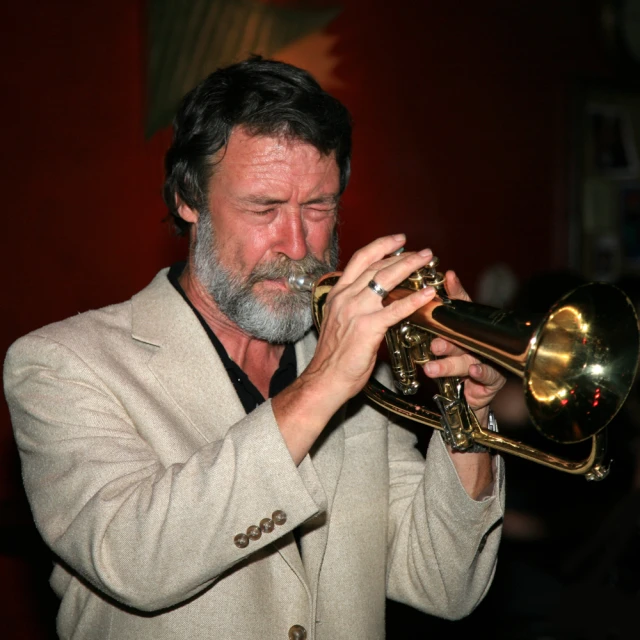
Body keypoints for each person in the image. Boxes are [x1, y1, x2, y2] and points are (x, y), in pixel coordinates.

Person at [3, 56, 505, 640]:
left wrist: (463, 408)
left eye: (317, 208)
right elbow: (134, 559)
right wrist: (323, 384)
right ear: (188, 199)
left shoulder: (364, 371)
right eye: (264, 209)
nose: (296, 244)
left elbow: (443, 584)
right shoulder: (61, 365)